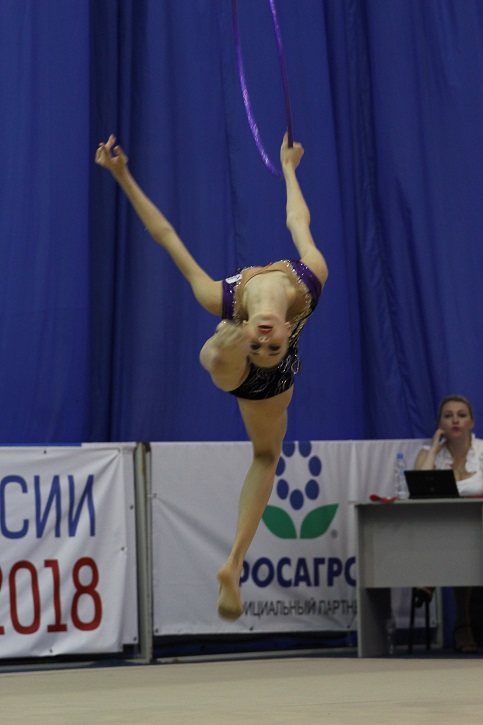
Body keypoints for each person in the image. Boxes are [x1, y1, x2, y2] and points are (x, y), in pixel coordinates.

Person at [95, 133, 328, 620]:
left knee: (264, 452)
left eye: (264, 343)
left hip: (259, 380)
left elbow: (166, 236)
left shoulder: (221, 298)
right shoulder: (309, 281)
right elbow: (298, 220)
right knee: (245, 401)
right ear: (285, 331)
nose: (266, 339)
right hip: (258, 365)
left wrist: (123, 177)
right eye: (270, 343)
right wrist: (289, 168)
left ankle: (232, 564)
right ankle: (221, 352)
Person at [414, 394, 483, 653]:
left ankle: (429, 579)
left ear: (471, 422)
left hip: (478, 524)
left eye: (461, 415)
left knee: (465, 539)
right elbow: (418, 488)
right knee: (452, 537)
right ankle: (462, 624)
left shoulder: (482, 452)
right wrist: (434, 448)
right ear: (439, 423)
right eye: (448, 416)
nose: (455, 420)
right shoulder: (428, 454)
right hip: (441, 528)